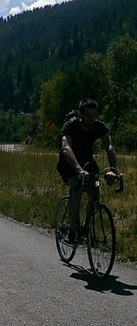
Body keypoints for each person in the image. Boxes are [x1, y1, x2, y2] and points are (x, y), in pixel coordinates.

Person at [57, 98, 118, 243]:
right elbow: (66, 148)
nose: (91, 119)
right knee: (77, 186)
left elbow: (109, 146)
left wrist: (113, 170)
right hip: (69, 163)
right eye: (88, 115)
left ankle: (85, 228)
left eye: (94, 115)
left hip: (87, 162)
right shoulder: (71, 126)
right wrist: (79, 170)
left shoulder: (99, 126)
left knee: (95, 189)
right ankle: (72, 231)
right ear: (80, 115)